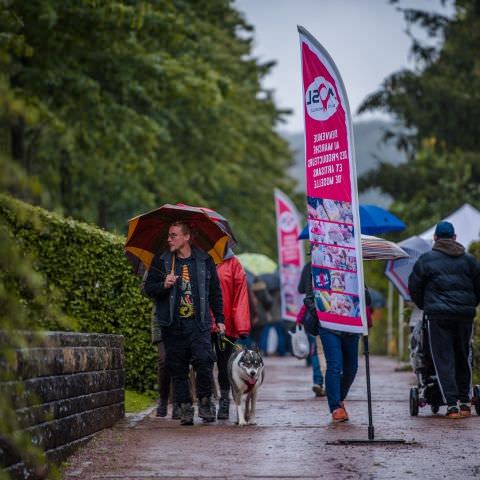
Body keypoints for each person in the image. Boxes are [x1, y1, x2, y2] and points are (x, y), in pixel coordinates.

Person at [144, 221, 225, 425]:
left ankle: (205, 403)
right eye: (169, 235)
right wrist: (163, 284)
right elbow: (147, 288)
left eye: (174, 235)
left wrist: (220, 319)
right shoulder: (161, 260)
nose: (169, 239)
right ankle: (185, 407)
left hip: (199, 324)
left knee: (204, 362)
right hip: (172, 324)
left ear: (186, 237)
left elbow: (215, 292)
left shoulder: (204, 260)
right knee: (177, 368)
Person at [408, 221, 480, 419]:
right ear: (455, 237)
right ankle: (465, 402)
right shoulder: (470, 260)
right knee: (463, 356)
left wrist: (425, 305)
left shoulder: (426, 260)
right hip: (464, 316)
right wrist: (469, 304)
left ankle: (451, 405)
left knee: (443, 359)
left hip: (437, 317)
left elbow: (414, 288)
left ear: (435, 238)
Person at [305, 274, 371, 422]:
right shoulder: (320, 273)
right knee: (334, 365)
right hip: (329, 327)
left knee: (351, 368)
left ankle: (338, 397)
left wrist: (361, 290)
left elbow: (368, 300)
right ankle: (335, 407)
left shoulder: (355, 272)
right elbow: (308, 299)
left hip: (351, 327)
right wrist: (322, 311)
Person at [211, 248, 251, 420]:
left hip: (225, 324)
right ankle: (206, 400)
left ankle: (224, 400)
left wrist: (240, 325)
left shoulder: (233, 263)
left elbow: (241, 294)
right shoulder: (198, 258)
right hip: (202, 322)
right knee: (202, 362)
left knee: (224, 363)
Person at [298, 261, 325, 397]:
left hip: (312, 313)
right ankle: (329, 383)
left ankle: (318, 381)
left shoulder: (308, 266)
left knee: (316, 351)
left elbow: (300, 289)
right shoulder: (330, 263)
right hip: (329, 313)